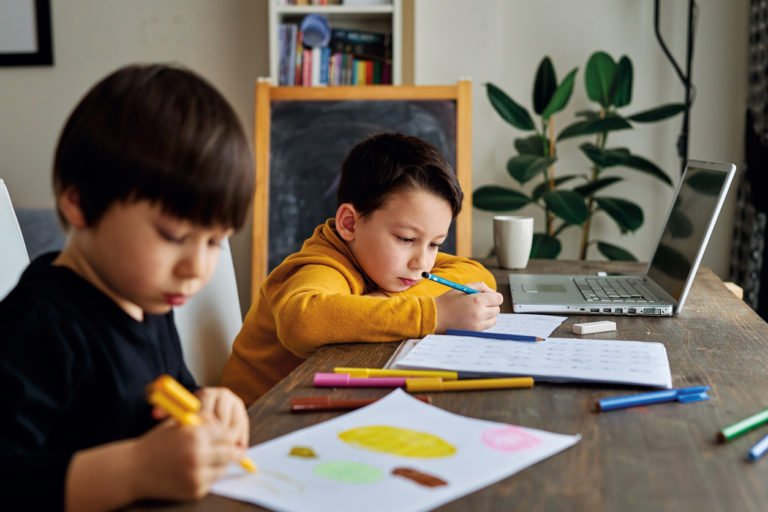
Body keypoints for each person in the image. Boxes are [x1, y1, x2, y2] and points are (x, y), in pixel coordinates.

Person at [0, 63, 255, 511]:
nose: (197, 267)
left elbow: (164, 397)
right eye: (174, 236)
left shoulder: (150, 304)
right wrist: (135, 470)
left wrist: (204, 406)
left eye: (215, 241)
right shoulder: (38, 323)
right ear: (80, 202)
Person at [221, 132, 503, 406]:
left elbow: (476, 273)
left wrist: (390, 301)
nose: (422, 263)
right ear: (349, 224)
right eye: (406, 239)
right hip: (255, 423)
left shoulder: (395, 263)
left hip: (319, 402)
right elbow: (302, 321)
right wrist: (434, 314)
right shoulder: (319, 266)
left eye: (435, 244)